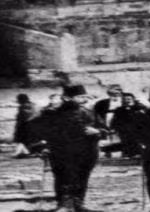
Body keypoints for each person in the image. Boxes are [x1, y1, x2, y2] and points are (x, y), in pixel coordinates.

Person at [31, 84, 107, 212]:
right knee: (63, 177)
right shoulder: (52, 114)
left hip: (87, 152)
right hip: (61, 152)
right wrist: (42, 147)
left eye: (84, 96)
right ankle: (63, 205)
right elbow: (36, 131)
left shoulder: (89, 112)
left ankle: (79, 204)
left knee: (82, 178)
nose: (84, 99)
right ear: (66, 98)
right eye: (79, 97)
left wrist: (97, 131)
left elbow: (105, 130)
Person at [13, 93, 37, 158]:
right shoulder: (33, 105)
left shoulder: (22, 107)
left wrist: (17, 127)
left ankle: (22, 153)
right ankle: (25, 152)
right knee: (25, 141)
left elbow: (22, 118)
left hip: (24, 126)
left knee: (21, 140)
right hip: (33, 125)